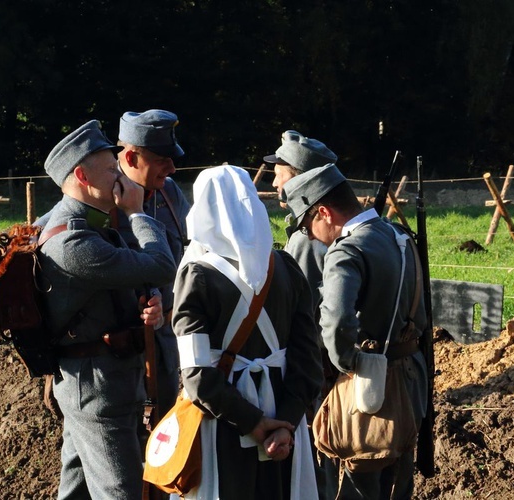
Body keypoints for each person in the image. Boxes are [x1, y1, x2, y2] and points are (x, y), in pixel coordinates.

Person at [38, 120, 177, 499]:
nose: (121, 176)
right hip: (97, 391)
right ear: (82, 175)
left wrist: (151, 307)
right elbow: (162, 265)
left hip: (104, 381)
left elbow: (126, 285)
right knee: (121, 492)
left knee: (78, 489)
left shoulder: (89, 225)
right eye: (111, 169)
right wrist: (137, 213)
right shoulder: (73, 240)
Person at [172, 165, 323, 500]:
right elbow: (308, 359)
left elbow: (196, 374)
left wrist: (254, 425)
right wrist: (284, 422)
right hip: (284, 420)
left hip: (223, 419)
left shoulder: (195, 276)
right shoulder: (286, 267)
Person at [281, 164, 429, 500]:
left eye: (307, 226)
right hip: (411, 377)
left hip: (369, 387)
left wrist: (347, 363)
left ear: (323, 212)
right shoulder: (398, 235)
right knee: (398, 481)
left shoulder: (346, 250)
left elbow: (336, 324)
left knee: (356, 484)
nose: (310, 235)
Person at [265, 129, 339, 499]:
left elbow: (299, 313)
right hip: (326, 363)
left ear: (295, 177)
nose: (274, 178)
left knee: (318, 452)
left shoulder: (304, 240)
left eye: (278, 170)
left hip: (316, 366)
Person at [115, 109, 191, 418]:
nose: (172, 168)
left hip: (166, 349)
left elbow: (192, 253)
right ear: (131, 159)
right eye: (162, 160)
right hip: (121, 358)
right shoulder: (99, 198)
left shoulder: (169, 194)